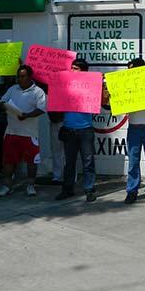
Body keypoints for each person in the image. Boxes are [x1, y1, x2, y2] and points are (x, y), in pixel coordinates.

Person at [104, 58, 145, 205]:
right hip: (134, 128)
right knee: (133, 162)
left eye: (132, 70)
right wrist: (109, 97)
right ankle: (132, 191)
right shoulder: (126, 85)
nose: (129, 72)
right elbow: (112, 105)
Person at [0, 65, 46, 197]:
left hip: (29, 134)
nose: (19, 79)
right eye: (18, 76)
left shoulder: (38, 92)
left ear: (30, 77)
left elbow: (41, 109)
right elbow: (2, 101)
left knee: (31, 161)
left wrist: (27, 115)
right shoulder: (12, 89)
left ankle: (30, 185)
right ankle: (7, 186)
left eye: (23, 76)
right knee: (8, 161)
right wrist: (3, 105)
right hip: (11, 132)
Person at [55, 58, 97, 202]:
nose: (72, 70)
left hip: (86, 130)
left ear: (84, 71)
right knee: (69, 162)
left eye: (76, 68)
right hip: (69, 129)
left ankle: (89, 189)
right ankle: (67, 189)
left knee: (88, 161)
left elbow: (101, 103)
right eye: (71, 68)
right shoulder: (65, 85)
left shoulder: (91, 86)